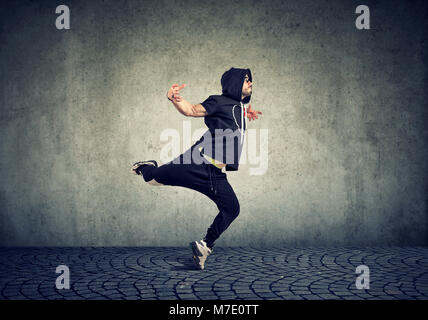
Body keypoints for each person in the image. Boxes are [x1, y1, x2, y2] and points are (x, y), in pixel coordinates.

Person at [131, 67, 262, 270]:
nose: (250, 83)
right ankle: (148, 167)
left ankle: (204, 246)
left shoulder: (238, 107)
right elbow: (191, 110)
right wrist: (175, 98)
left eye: (250, 80)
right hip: (194, 163)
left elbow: (234, 118)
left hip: (214, 175)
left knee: (232, 209)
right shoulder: (218, 101)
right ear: (234, 84)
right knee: (152, 180)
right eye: (246, 79)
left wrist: (245, 114)